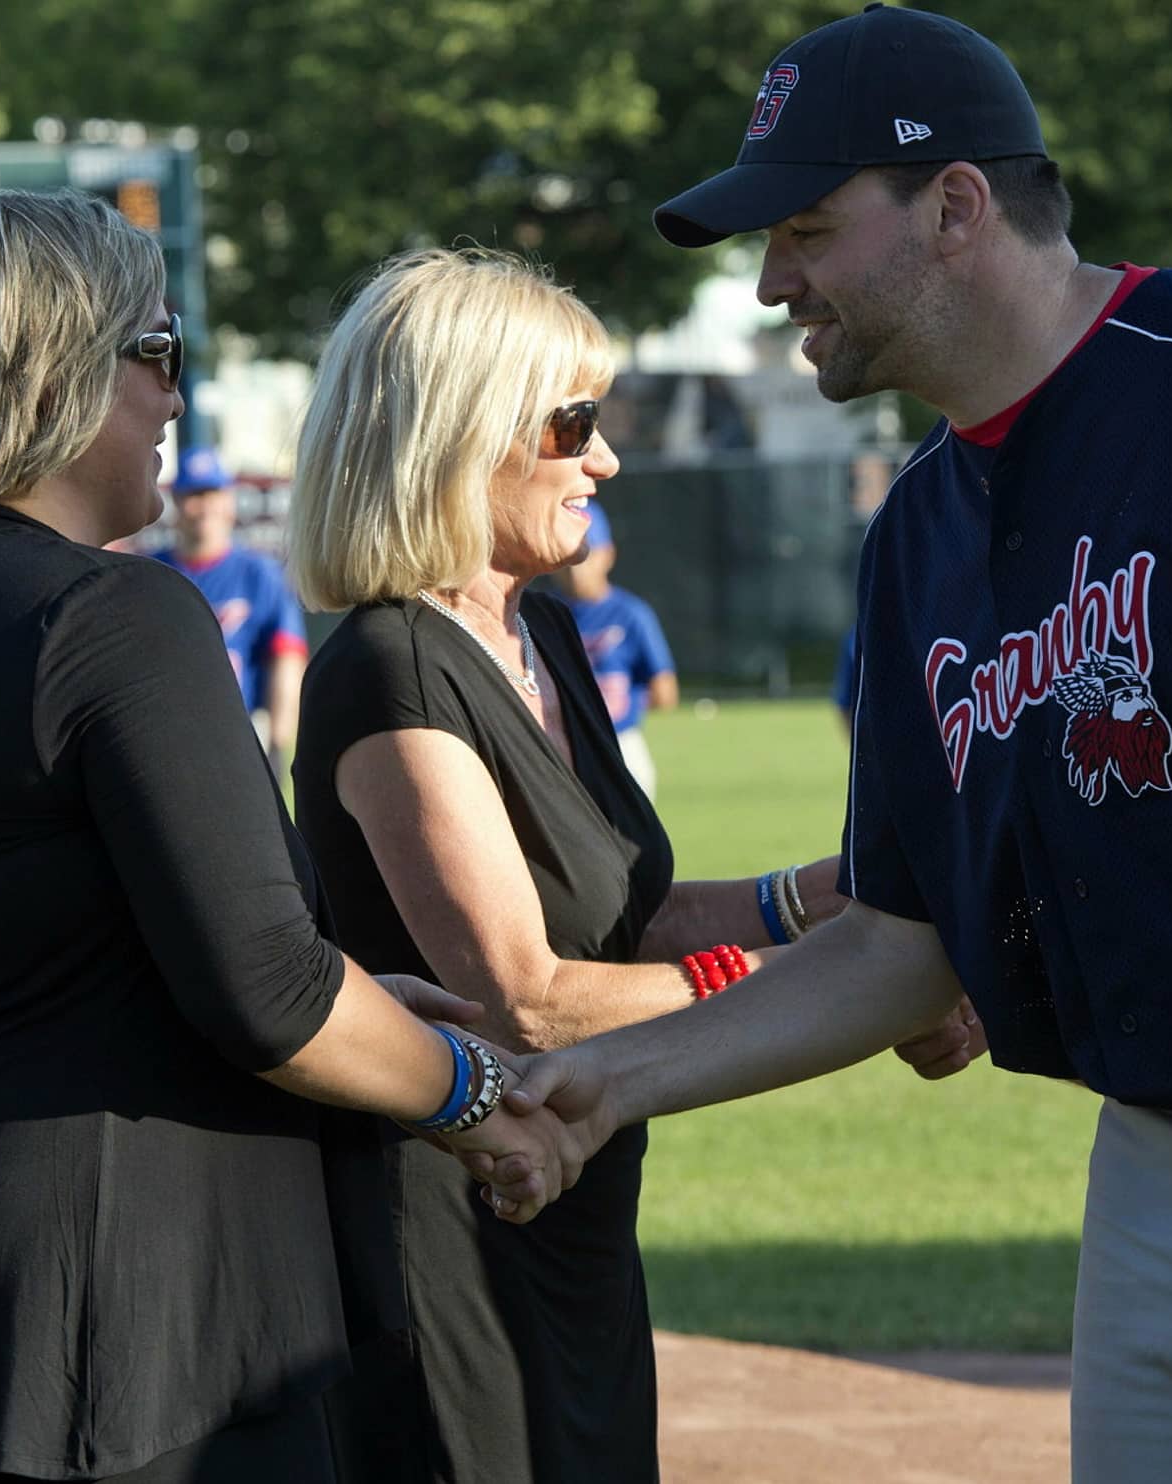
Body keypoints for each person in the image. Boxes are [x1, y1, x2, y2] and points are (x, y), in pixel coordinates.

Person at [478, 9, 1172, 1483]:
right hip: (1153, 1153)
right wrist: (613, 1085)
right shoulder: (919, 534)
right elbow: (902, 944)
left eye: (810, 229)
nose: (772, 283)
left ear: (956, 207)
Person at [0, 190, 569, 1484]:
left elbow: (55, 940)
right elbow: (270, 993)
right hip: (139, 1328)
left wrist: (353, 999)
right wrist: (476, 1096)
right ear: (63, 368)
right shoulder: (115, 618)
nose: (177, 400)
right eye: (160, 355)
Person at [286, 246, 846, 1484]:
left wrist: (822, 897)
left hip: (575, 1195)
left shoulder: (535, 632)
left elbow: (623, 915)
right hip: (454, 1225)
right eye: (574, 421)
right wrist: (825, 977)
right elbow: (524, 996)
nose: (603, 458)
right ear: (460, 429)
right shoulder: (392, 665)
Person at [156, 445, 308, 777]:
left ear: (229, 500)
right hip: (168, 736)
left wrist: (278, 743)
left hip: (241, 731)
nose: (204, 506)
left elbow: (286, 659)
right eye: (194, 495)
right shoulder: (152, 571)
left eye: (212, 493)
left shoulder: (259, 573)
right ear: (178, 504)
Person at [550, 500, 678, 799]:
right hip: (563, 744)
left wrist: (616, 701)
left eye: (586, 553)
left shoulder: (630, 613)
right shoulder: (542, 614)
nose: (576, 567)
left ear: (608, 555)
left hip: (621, 742)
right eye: (567, 556)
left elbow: (665, 692)